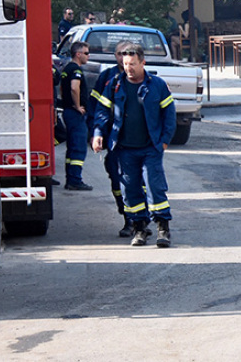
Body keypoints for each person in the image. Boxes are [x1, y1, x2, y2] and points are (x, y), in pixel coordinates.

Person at [93, 43, 176, 248]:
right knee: (130, 190)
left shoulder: (157, 85)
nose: (128, 68)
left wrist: (164, 140)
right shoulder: (114, 84)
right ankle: (139, 228)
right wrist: (98, 133)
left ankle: (163, 228)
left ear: (143, 63)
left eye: (132, 64)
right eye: (125, 64)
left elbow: (169, 115)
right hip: (124, 149)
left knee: (155, 186)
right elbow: (102, 111)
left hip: (150, 148)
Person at [89, 40, 137, 237]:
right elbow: (96, 107)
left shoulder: (146, 78)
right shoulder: (107, 77)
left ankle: (139, 220)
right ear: (115, 56)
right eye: (120, 53)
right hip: (114, 139)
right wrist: (96, 133)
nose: (123, 57)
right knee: (116, 179)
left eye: (128, 53)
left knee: (138, 180)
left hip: (139, 140)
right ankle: (127, 217)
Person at [60, 41, 93, 190]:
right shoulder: (75, 70)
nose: (88, 56)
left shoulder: (67, 68)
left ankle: (70, 179)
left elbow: (63, 89)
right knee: (79, 147)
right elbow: (74, 87)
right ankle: (75, 180)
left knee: (72, 147)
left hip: (68, 111)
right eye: (86, 53)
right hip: (75, 114)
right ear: (78, 54)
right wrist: (77, 105)